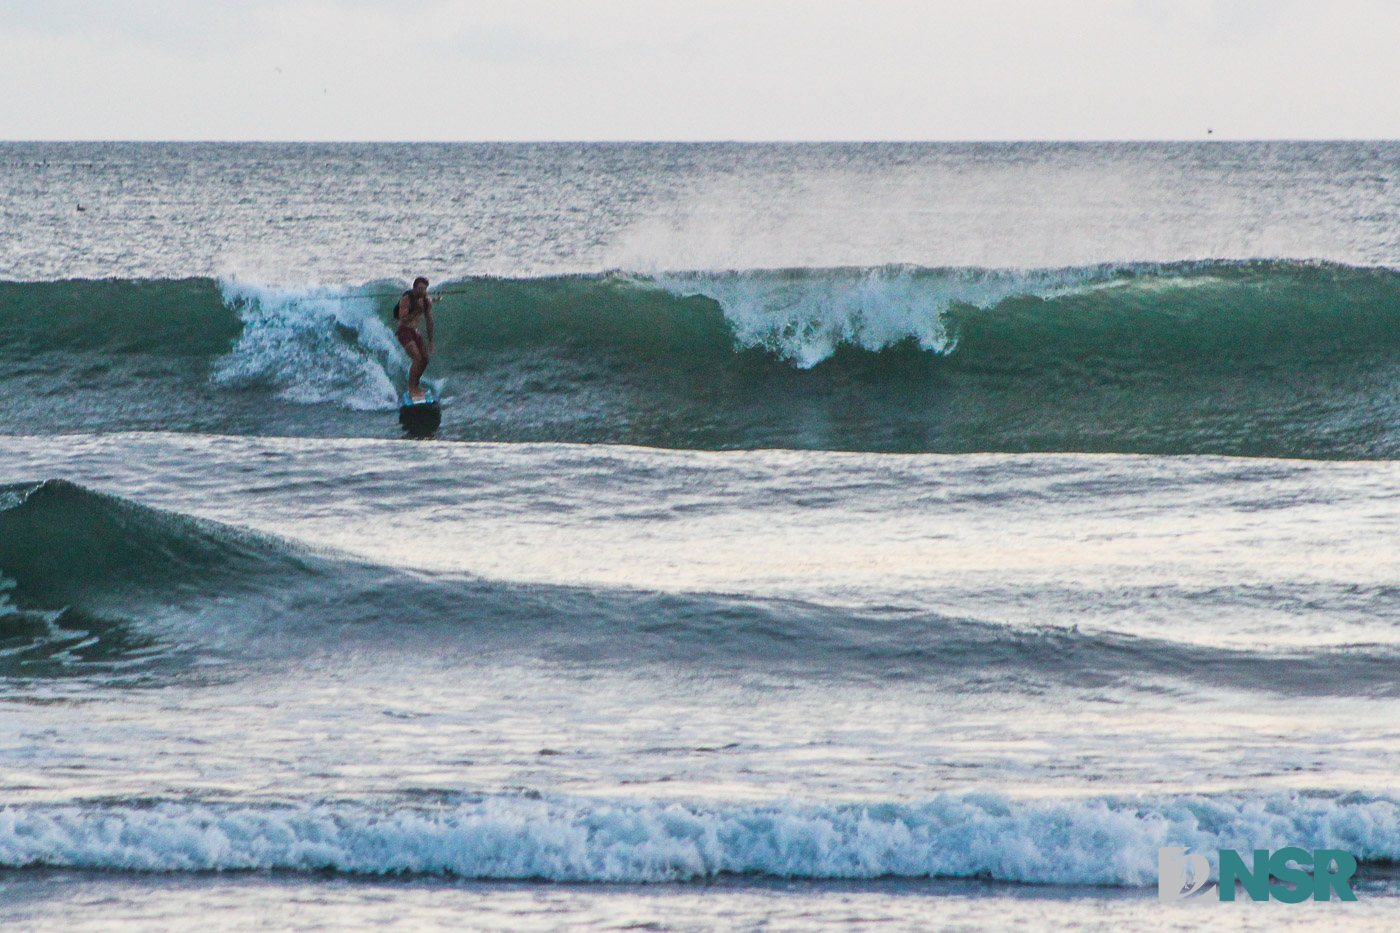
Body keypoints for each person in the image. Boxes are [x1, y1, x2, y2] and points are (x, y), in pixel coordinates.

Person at [394, 276, 434, 401]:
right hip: (404, 331)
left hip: (415, 331)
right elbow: (402, 318)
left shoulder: (427, 302)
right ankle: (412, 389)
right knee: (417, 358)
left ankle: (416, 385)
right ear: (414, 288)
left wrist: (430, 341)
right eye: (420, 288)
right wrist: (417, 309)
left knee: (425, 359)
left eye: (424, 289)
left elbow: (429, 321)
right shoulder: (406, 300)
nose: (422, 291)